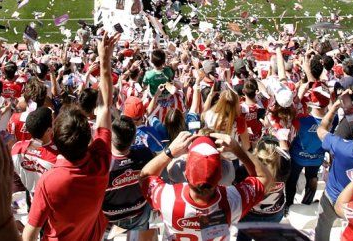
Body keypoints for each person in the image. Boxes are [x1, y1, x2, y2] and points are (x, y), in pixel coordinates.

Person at [22, 32, 118, 241]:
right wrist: (105, 62)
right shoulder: (101, 160)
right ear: (89, 138)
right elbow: (103, 107)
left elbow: (29, 233)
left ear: (55, 139)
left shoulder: (49, 180)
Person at [140, 132, 272, 241]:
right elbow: (264, 178)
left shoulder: (167, 198)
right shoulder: (234, 201)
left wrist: (169, 152)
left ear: (186, 174)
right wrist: (238, 149)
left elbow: (145, 176)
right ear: (220, 176)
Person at [315, 91, 353, 241]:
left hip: (332, 198)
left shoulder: (340, 146)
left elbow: (321, 129)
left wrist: (334, 108)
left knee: (322, 228)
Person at [103, 116, 155, 241]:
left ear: (111, 138)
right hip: (139, 212)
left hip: (110, 219)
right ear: (133, 140)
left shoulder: (103, 163)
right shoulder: (145, 154)